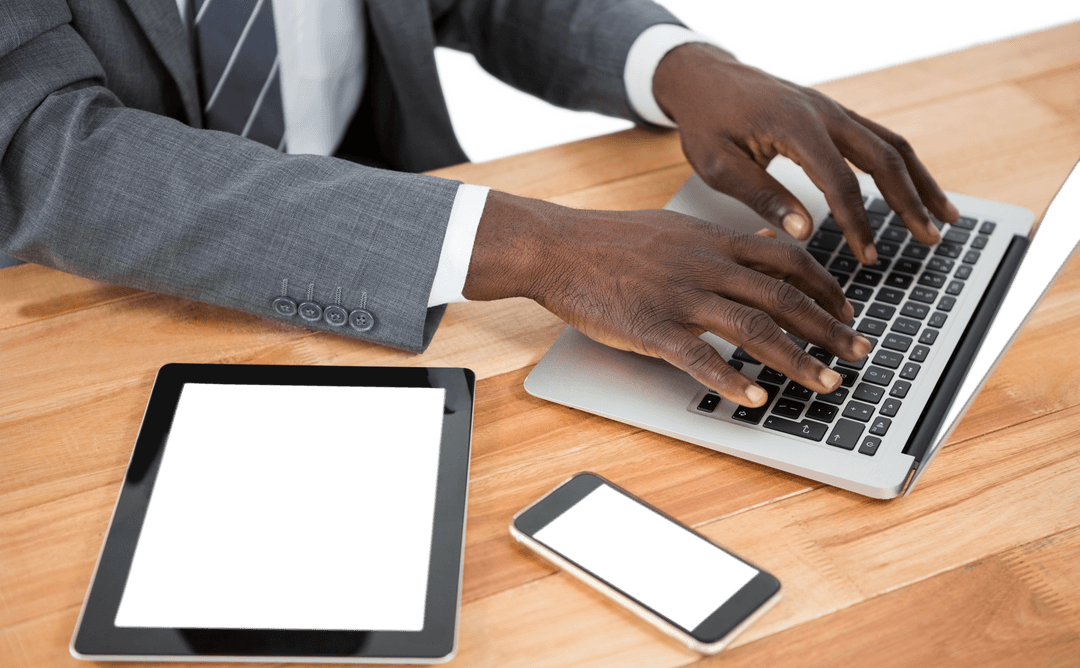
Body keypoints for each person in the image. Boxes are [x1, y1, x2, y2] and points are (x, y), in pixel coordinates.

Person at [0, 0, 958, 410]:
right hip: (105, 325)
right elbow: (48, 149)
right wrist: (536, 243)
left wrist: (678, 64)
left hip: (413, 282)